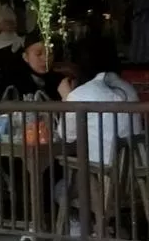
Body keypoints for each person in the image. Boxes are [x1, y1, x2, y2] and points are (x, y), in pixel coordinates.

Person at [60, 37, 142, 166]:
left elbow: (67, 136)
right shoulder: (129, 89)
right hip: (136, 177)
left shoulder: (80, 94)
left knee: (60, 186)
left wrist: (66, 97)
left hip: (103, 176)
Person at [9, 32, 63, 100]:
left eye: (50, 53)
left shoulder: (61, 80)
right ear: (25, 57)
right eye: (38, 54)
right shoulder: (14, 83)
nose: (45, 58)